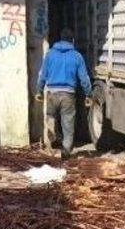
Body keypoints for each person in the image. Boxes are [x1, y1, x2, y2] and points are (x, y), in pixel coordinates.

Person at [35, 28, 92, 159]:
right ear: (72, 41)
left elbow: (42, 75)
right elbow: (84, 78)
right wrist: (88, 94)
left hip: (52, 93)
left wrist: (39, 91)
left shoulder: (49, 54)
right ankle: (66, 151)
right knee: (68, 122)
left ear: (60, 39)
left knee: (50, 118)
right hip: (68, 95)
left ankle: (50, 146)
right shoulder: (77, 56)